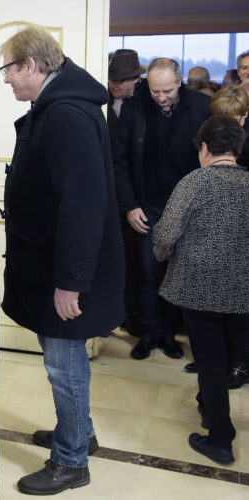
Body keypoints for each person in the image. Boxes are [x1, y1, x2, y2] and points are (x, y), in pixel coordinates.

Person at [0, 25, 125, 495]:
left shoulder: (67, 114)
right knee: (64, 358)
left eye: (9, 68)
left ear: (32, 65)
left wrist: (71, 281)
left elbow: (82, 204)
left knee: (63, 361)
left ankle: (71, 461)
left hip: (66, 270)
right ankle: (80, 433)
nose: (6, 79)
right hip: (56, 262)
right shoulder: (61, 106)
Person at [153, 115, 249, 465]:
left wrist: (160, 255)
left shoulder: (195, 182)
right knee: (228, 355)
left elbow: (165, 235)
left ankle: (220, 437)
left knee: (209, 359)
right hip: (243, 289)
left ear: (204, 148)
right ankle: (210, 408)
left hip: (197, 287)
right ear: (236, 149)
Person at [113, 58, 211, 360]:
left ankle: (169, 332)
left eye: (167, 90)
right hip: (147, 205)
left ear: (179, 82)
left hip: (188, 205)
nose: (161, 97)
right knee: (146, 271)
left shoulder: (201, 107)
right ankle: (149, 332)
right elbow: (120, 162)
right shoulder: (134, 107)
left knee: (177, 274)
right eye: (155, 91)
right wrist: (130, 205)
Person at [107, 49, 146, 337]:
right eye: (112, 79)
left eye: (121, 80)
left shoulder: (145, 104)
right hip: (107, 192)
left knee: (137, 263)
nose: (115, 84)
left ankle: (135, 318)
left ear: (136, 79)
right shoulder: (102, 102)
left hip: (138, 196)